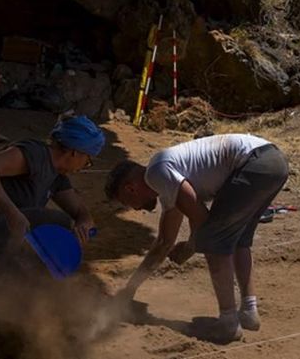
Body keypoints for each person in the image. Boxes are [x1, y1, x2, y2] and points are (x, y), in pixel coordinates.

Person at [106, 134, 289, 343]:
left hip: (253, 163)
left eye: (127, 202)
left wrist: (191, 246)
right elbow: (164, 242)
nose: (133, 208)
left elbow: (201, 219)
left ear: (130, 188)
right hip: (274, 162)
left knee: (214, 241)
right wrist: (130, 289)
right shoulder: (165, 179)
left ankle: (228, 323)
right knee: (238, 239)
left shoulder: (156, 173)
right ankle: (249, 311)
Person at [0, 115, 106, 274]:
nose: (85, 166)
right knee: (55, 223)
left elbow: (79, 211)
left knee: (57, 233)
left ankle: (6, 290)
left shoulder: (57, 176)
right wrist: (12, 214)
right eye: (87, 160)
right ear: (75, 152)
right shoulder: (36, 154)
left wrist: (84, 223)